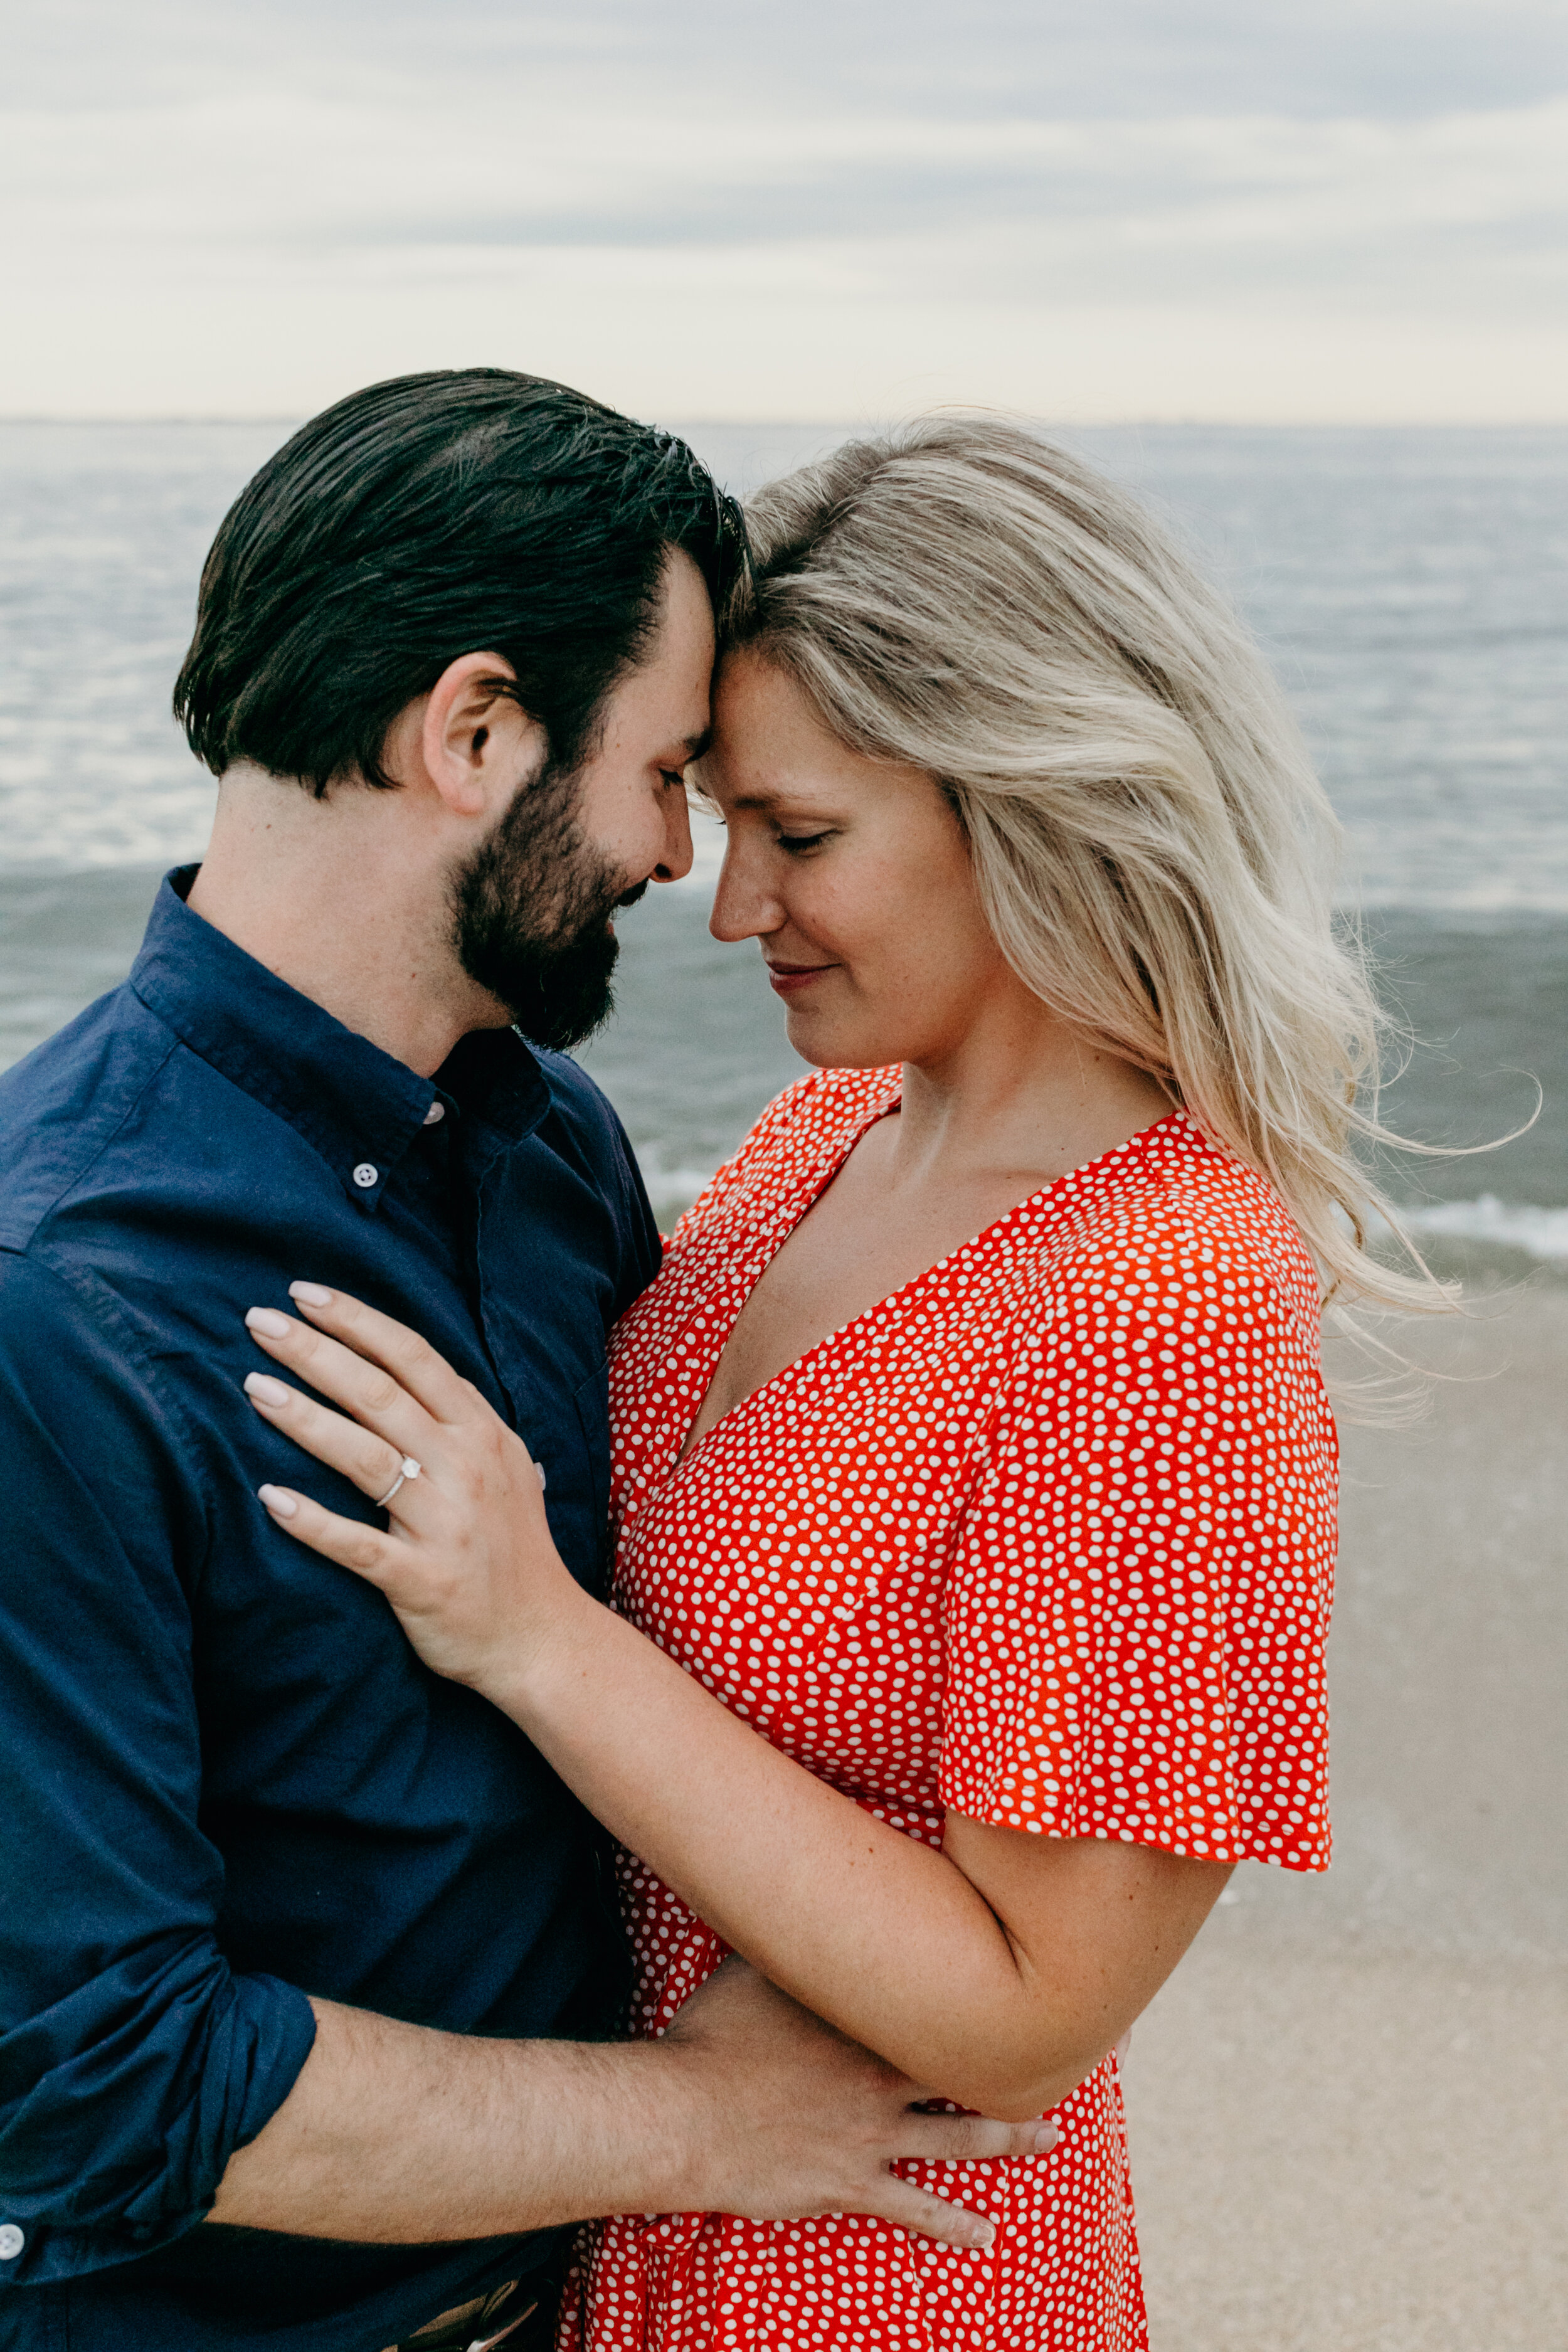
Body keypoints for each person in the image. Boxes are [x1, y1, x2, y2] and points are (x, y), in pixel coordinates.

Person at [243, 416, 1444, 2349]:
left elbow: (1034, 2010)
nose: (727, 909)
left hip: (880, 2275)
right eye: (715, 821)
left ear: (1036, 798)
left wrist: (535, 1635)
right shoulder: (829, 1132)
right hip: (636, 2203)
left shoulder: (1159, 1302)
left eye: (800, 838)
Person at [0, 380, 1050, 2352]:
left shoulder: (551, 1141)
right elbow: (91, 2084)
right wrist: (705, 2122)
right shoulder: (56, 1296)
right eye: (664, 774)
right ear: (473, 732)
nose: (681, 861)